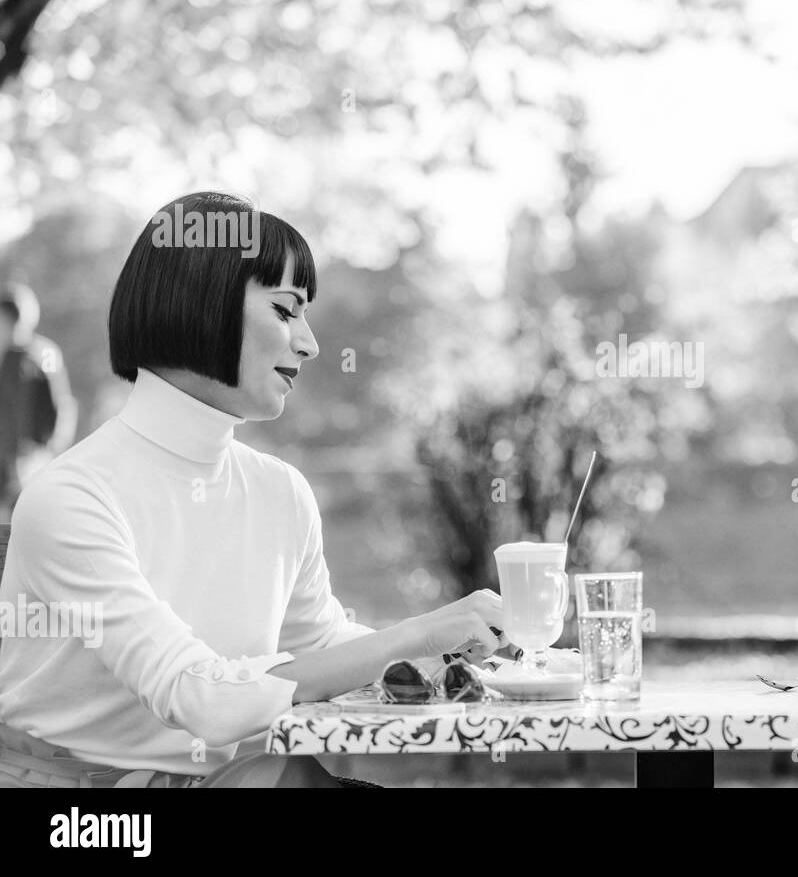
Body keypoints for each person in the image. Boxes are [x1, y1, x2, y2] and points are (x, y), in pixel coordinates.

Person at [0, 192, 510, 787]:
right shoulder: (72, 497)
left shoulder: (279, 491)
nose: (310, 343)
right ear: (202, 305)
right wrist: (418, 633)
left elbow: (320, 647)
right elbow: (200, 699)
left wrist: (459, 651)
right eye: (287, 309)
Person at [0, 283, 77, 519]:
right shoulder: (5, 357)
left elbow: (61, 406)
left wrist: (46, 451)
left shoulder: (42, 355)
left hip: (29, 462)